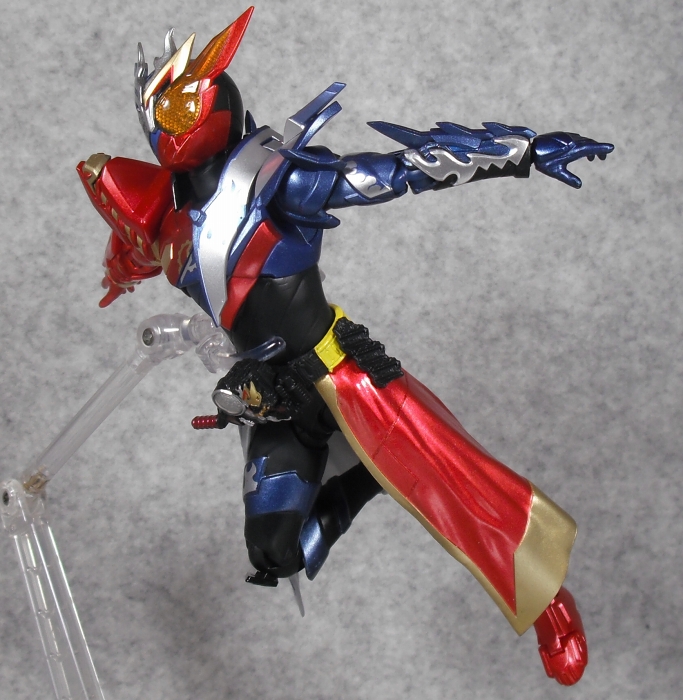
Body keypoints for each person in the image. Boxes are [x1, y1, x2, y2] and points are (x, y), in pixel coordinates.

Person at [77, 7, 612, 685]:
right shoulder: (160, 212)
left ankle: (551, 607)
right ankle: (365, 479)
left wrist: (522, 153)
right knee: (275, 552)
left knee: (462, 494)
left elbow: (400, 171)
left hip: (340, 373)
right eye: (159, 112)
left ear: (216, 103)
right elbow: (130, 252)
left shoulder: (276, 180)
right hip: (275, 399)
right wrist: (120, 274)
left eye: (181, 107)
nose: (168, 127)